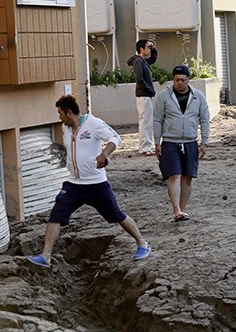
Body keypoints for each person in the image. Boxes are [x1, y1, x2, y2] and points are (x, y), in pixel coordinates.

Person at [26, 95, 151, 268]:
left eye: (60, 113)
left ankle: (142, 244)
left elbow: (115, 138)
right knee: (56, 215)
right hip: (73, 185)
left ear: (69, 113)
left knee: (116, 215)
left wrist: (104, 155)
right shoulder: (66, 128)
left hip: (96, 184)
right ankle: (45, 256)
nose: (59, 117)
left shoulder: (93, 123)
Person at [154, 65, 210, 223]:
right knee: (174, 175)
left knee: (187, 177)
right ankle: (176, 210)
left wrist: (204, 142)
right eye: (177, 80)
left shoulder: (198, 96)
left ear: (188, 80)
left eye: (183, 80)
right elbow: (157, 119)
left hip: (191, 142)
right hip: (170, 142)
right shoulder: (164, 96)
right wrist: (157, 142)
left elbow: (204, 120)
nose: (180, 83)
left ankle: (182, 209)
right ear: (172, 80)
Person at [127, 39, 158, 155]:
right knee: (145, 121)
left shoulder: (142, 61)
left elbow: (153, 59)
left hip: (145, 95)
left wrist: (153, 48)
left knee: (146, 120)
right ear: (141, 49)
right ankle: (144, 148)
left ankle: (145, 146)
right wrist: (150, 90)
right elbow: (139, 79)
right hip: (144, 94)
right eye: (147, 47)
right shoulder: (139, 62)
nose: (148, 50)